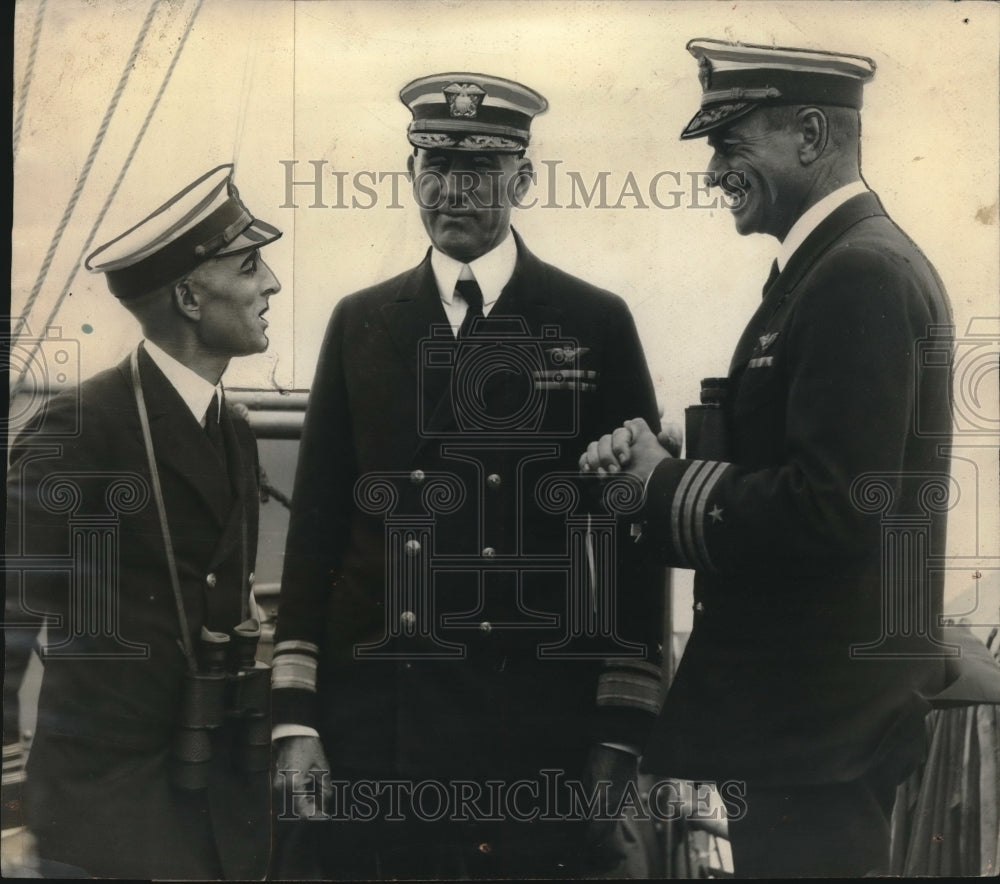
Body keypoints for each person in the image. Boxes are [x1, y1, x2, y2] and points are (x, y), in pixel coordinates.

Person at [271, 73, 665, 879]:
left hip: (536, 734)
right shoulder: (359, 322)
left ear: (522, 179)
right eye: (433, 168)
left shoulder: (593, 322)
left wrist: (619, 729)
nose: (451, 191)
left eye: (479, 172)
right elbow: (314, 532)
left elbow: (634, 532)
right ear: (410, 174)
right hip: (380, 733)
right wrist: (296, 719)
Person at [580, 39, 956, 878]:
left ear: (812, 133)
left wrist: (660, 486)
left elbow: (833, 506)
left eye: (730, 144)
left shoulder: (856, 274)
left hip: (820, 737)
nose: (714, 171)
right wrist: (673, 458)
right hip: (815, 728)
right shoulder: (837, 267)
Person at [3, 164, 282, 879]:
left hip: (213, 790)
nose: (271, 285)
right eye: (250, 267)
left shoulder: (234, 427)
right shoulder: (79, 428)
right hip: (107, 808)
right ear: (190, 296)